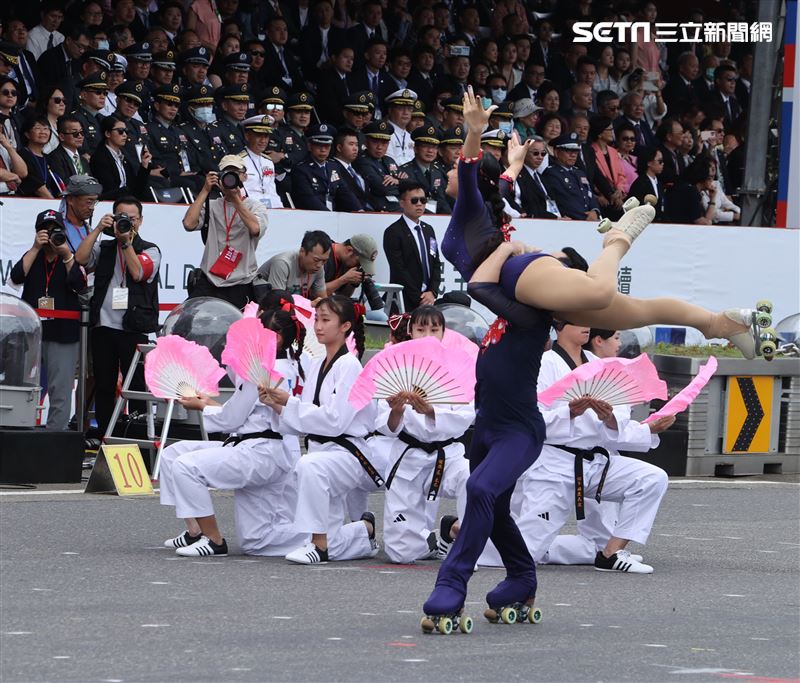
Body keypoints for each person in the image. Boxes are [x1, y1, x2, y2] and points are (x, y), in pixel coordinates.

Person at [421, 87, 760, 628]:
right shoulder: (488, 213)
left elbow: (470, 184)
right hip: (492, 410)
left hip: (519, 343)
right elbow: (493, 188)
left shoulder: (473, 220)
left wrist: (473, 131)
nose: (444, 182)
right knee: (629, 309)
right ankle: (717, 321)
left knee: (606, 303)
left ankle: (450, 586)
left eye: (452, 177)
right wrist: (507, 166)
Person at [475, 322, 672, 573]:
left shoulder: (599, 363)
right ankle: (462, 535)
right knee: (525, 552)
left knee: (651, 479)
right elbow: (529, 418)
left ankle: (611, 553)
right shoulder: (543, 363)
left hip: (596, 461)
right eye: (577, 320)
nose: (586, 326)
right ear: (558, 324)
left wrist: (610, 418)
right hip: (553, 463)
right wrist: (568, 412)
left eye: (588, 320)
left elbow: (619, 415)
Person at [157, 306, 308, 558]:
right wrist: (206, 404)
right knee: (255, 541)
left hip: (259, 453)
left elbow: (232, 419)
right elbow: (239, 416)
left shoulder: (263, 371)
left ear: (276, 338)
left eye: (257, 329)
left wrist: (202, 404)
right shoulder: (289, 365)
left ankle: (213, 539)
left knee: (185, 465)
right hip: (256, 447)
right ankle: (195, 531)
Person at [259, 295, 386, 565]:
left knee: (310, 466)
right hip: (323, 450)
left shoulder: (350, 365)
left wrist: (288, 402)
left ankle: (319, 545)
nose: (318, 326)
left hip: (349, 455)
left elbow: (336, 421)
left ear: (345, 327)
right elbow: (304, 416)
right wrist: (276, 406)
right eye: (317, 318)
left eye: (326, 319)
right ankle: (363, 531)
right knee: (331, 537)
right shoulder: (316, 364)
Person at [377, 305, 473, 564]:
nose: (428, 335)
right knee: (400, 554)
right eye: (421, 329)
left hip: (447, 454)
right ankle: (440, 535)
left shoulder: (458, 366)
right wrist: (395, 411)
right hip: (408, 456)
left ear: (444, 333)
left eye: (434, 329)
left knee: (470, 477)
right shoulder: (395, 365)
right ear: (410, 331)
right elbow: (384, 426)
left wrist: (431, 411)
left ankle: (466, 544)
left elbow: (465, 417)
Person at [74, 196, 161, 437]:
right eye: (122, 218)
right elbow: (80, 259)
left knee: (135, 388)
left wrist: (126, 243)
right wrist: (98, 230)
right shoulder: (105, 247)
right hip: (103, 327)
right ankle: (105, 436)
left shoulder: (151, 250)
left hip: (133, 328)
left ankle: (137, 439)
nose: (127, 223)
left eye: (131, 219)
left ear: (140, 221)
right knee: (104, 385)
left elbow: (136, 273)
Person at [9, 209, 85, 431]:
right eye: (45, 230)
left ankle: (55, 439)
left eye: (56, 230)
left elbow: (80, 285)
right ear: (36, 232)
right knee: (25, 389)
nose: (50, 235)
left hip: (63, 334)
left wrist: (66, 254)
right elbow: (15, 278)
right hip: (32, 334)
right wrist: (35, 247)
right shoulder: (33, 256)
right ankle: (21, 432)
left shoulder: (70, 256)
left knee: (60, 391)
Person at [182, 155, 269, 308]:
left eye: (236, 173)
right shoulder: (212, 205)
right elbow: (188, 224)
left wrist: (235, 198)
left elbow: (255, 229)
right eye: (227, 173)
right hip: (210, 280)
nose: (231, 178)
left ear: (244, 176)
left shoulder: (255, 206)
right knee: (188, 321)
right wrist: (205, 190)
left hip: (242, 282)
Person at [383, 181, 442, 312]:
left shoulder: (428, 230)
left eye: (423, 200)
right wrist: (419, 298)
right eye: (414, 200)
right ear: (402, 203)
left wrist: (432, 292)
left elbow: (436, 263)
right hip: (404, 300)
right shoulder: (393, 232)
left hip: (428, 300)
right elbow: (399, 269)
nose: (420, 204)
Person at [90, 115, 153, 200]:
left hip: (127, 201)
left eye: (126, 131)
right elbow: (108, 189)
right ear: (107, 133)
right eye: (120, 131)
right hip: (109, 204)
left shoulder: (125, 155)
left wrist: (144, 166)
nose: (124, 135)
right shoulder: (99, 157)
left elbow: (136, 188)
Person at [256, 230, 331, 301]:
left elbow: (322, 298)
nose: (319, 265)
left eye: (324, 261)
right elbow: (277, 302)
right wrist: (309, 305)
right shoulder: (282, 263)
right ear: (302, 251)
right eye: (316, 260)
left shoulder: (319, 267)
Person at [542, 132, 600, 221]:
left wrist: (595, 211)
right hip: (569, 222)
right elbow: (564, 201)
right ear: (556, 152)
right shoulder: (551, 173)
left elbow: (589, 195)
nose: (573, 155)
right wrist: (585, 217)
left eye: (576, 151)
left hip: (587, 222)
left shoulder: (580, 173)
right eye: (568, 151)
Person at [397, 125, 450, 214]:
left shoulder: (438, 172)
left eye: (434, 147)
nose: (430, 151)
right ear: (415, 149)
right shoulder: (404, 171)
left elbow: (443, 201)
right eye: (425, 146)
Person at [353, 119, 401, 211]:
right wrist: (401, 184)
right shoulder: (362, 160)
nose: (380, 147)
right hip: (378, 208)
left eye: (384, 143)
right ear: (366, 143)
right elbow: (381, 187)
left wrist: (398, 182)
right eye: (375, 142)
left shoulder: (389, 160)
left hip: (397, 205)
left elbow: (410, 183)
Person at [238, 114, 283, 209]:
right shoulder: (238, 161)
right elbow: (240, 193)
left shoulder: (268, 161)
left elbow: (272, 190)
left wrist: (280, 209)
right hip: (250, 210)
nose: (263, 140)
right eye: (258, 135)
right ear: (247, 136)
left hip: (271, 211)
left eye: (266, 136)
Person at [323, 234, 379, 299]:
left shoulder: (346, 262)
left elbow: (343, 297)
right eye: (359, 263)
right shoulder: (323, 255)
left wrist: (353, 283)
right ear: (349, 250)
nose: (358, 267)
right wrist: (343, 279)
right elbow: (315, 293)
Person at [47, 115, 88, 183]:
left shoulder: (83, 160)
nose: (80, 136)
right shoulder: (55, 157)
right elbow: (62, 184)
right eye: (75, 133)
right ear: (62, 137)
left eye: (81, 132)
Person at [628, 147, 665, 220]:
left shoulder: (659, 184)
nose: (663, 164)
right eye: (660, 161)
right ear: (649, 163)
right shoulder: (640, 184)